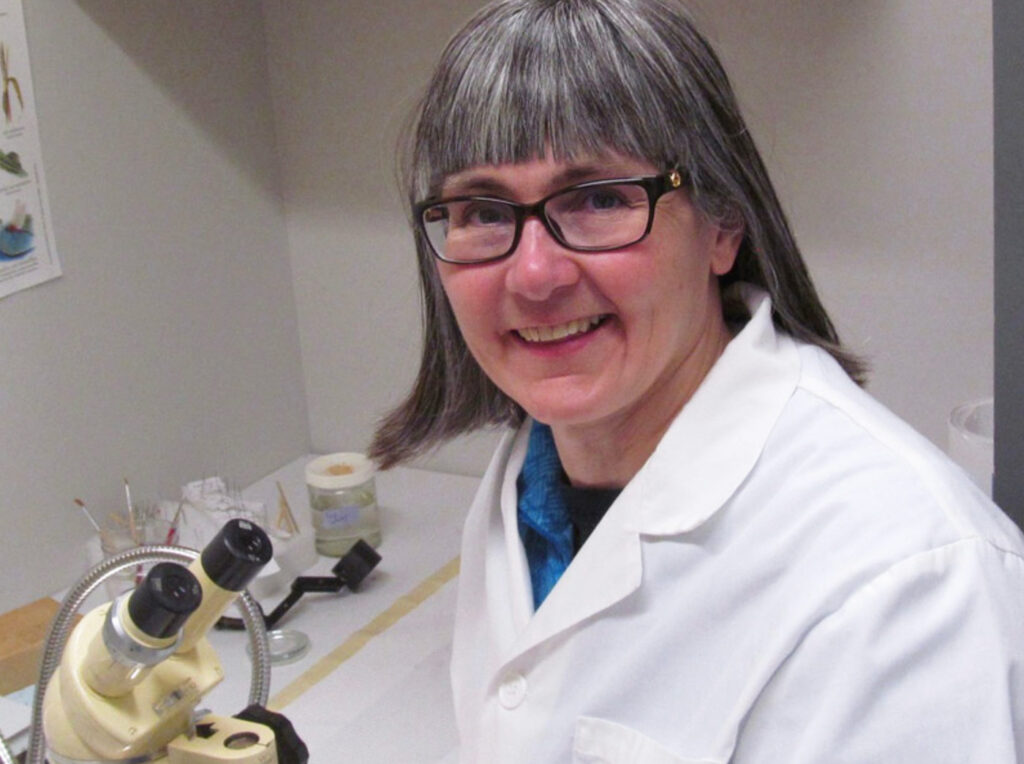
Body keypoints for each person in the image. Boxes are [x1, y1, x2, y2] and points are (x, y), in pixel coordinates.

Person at [369, 0, 1024, 760]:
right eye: (482, 210)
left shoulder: (908, 585)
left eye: (600, 199)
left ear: (722, 225)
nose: (535, 274)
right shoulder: (534, 473)